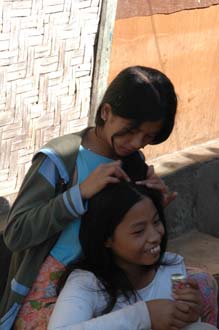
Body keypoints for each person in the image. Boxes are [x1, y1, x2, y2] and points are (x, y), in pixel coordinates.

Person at [0, 66, 179, 329]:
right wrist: (78, 194)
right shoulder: (60, 161)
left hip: (108, 279)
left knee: (196, 294)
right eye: (131, 130)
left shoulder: (132, 161)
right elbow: (16, 233)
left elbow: (127, 232)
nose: (137, 142)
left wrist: (152, 210)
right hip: (51, 291)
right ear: (106, 112)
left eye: (148, 137)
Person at [48, 180, 218, 330]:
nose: (155, 236)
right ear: (106, 239)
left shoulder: (171, 268)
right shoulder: (86, 283)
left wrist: (189, 313)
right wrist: (145, 316)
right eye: (139, 231)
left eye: (156, 221)